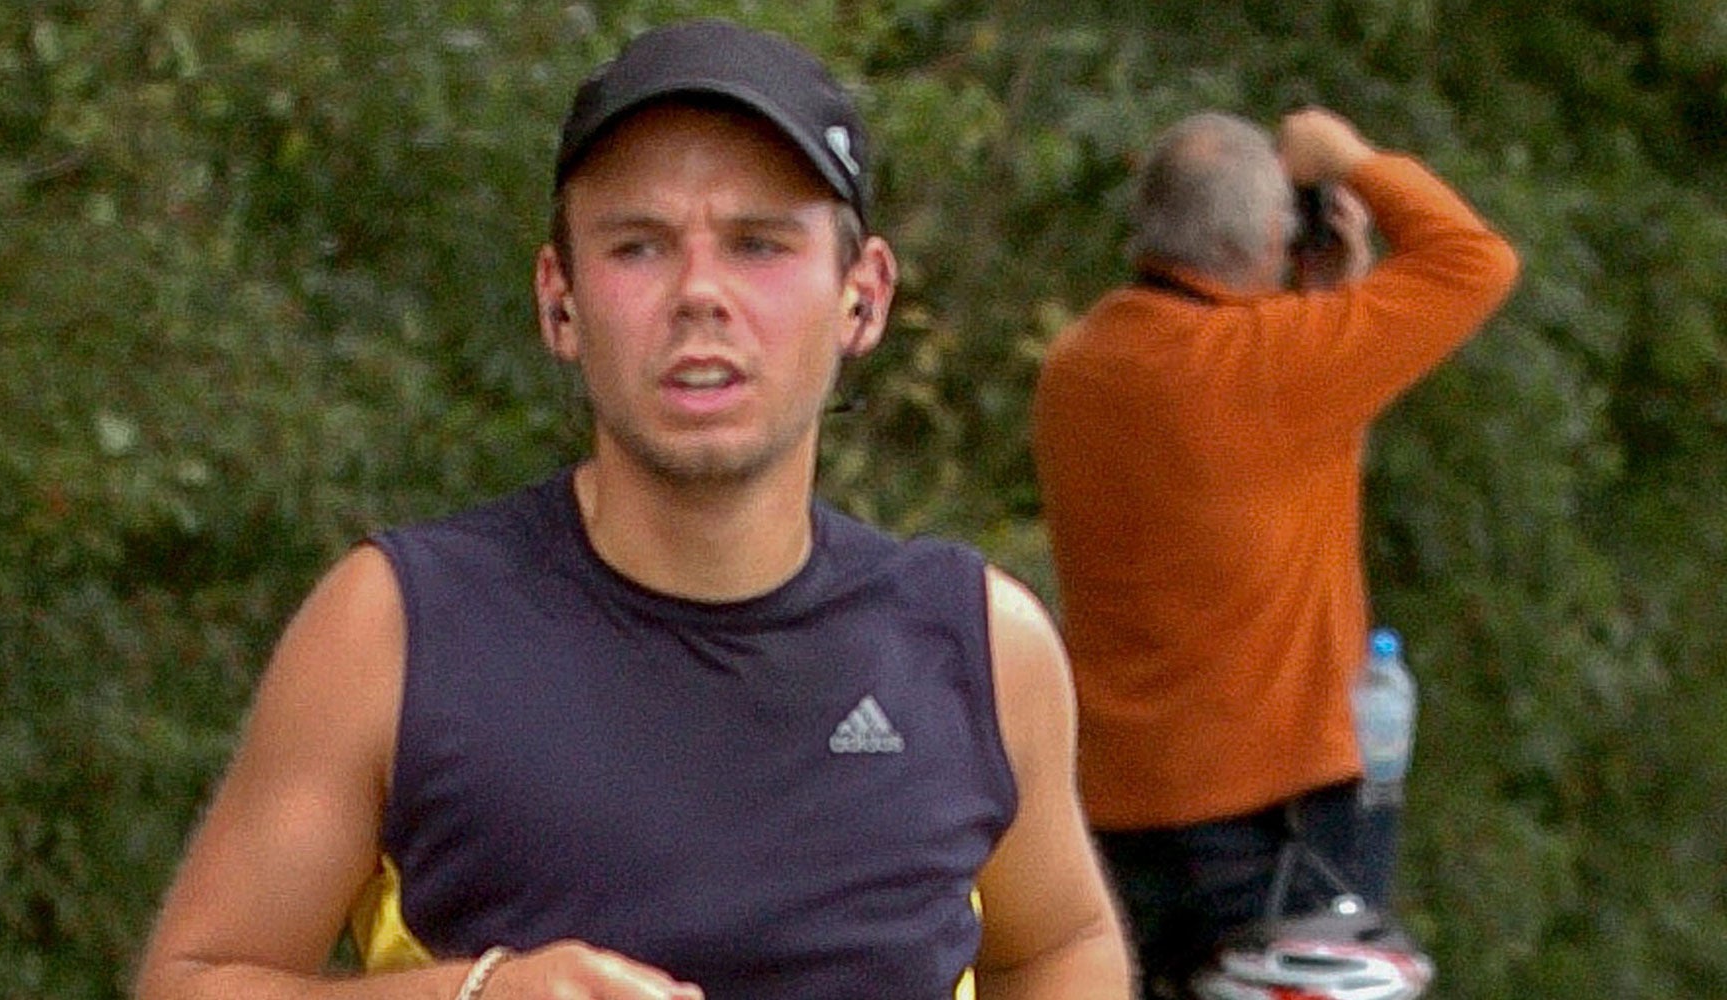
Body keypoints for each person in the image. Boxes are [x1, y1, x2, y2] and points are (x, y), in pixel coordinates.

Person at [136, 19, 1131, 1000]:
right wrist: (479, 996)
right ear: (558, 301)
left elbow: (1059, 944)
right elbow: (189, 981)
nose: (700, 293)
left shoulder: (978, 647)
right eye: (639, 246)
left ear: (860, 297)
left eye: (757, 244)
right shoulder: (395, 626)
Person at [1029, 108, 1519, 998]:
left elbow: (1268, 461)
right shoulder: (1278, 367)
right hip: (1280, 824)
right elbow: (1476, 261)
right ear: (1269, 232)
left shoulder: (1080, 365)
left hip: (1115, 815)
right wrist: (1353, 157)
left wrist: (1318, 299)